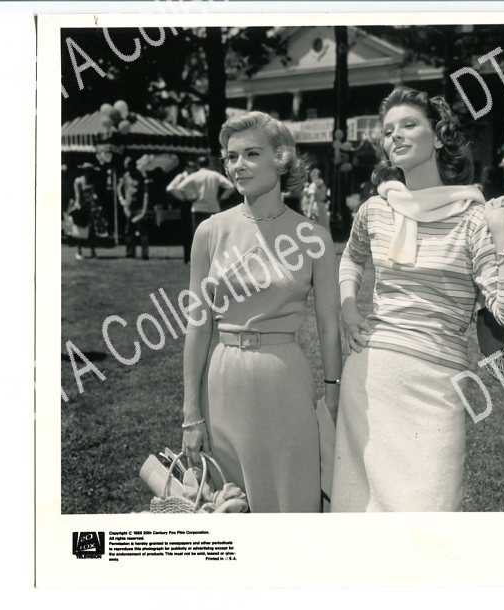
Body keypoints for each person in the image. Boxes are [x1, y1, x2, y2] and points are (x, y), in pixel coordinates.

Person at [331, 87, 504, 512]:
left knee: (431, 516)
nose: (396, 135)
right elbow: (351, 258)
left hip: (437, 385)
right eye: (389, 130)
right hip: (371, 375)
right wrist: (348, 307)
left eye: (409, 125)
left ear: (439, 137)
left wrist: (501, 232)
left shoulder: (475, 219)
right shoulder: (375, 210)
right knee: (362, 516)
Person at [180, 111, 342, 513]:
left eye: (252, 154)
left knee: (292, 502)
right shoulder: (209, 232)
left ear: (281, 158)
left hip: (284, 379)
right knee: (230, 506)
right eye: (232, 157)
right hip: (223, 381)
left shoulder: (314, 237)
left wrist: (333, 394)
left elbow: (329, 325)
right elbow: (198, 326)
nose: (239, 165)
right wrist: (190, 413)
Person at [167, 156, 235, 265]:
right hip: (214, 208)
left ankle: (199, 260)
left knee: (199, 236)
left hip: (198, 208)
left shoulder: (195, 176)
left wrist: (187, 197)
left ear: (198, 165)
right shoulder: (215, 175)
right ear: (208, 164)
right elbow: (231, 186)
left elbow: (179, 188)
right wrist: (222, 198)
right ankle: (213, 259)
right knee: (214, 236)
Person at [69, 162, 104, 260]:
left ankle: (93, 251)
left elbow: (93, 195)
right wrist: (78, 206)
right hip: (81, 207)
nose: (89, 172)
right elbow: (77, 195)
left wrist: (95, 205)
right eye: (87, 170)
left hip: (90, 207)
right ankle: (79, 251)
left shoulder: (92, 181)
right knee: (80, 230)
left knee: (91, 230)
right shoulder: (78, 181)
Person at [118, 157, 150, 260]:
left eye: (128, 165)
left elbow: (146, 193)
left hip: (139, 206)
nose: (127, 168)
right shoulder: (126, 176)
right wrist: (122, 200)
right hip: (128, 206)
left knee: (142, 230)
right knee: (129, 230)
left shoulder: (141, 176)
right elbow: (119, 188)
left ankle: (145, 253)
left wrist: (144, 208)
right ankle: (130, 252)